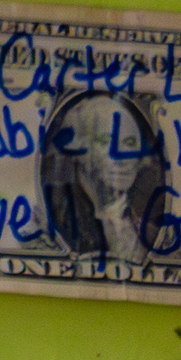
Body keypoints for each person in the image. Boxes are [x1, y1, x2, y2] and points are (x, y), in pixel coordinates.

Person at [39, 88, 171, 261]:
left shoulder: (147, 219)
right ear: (82, 151)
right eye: (105, 141)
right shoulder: (56, 210)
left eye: (130, 143)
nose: (121, 156)